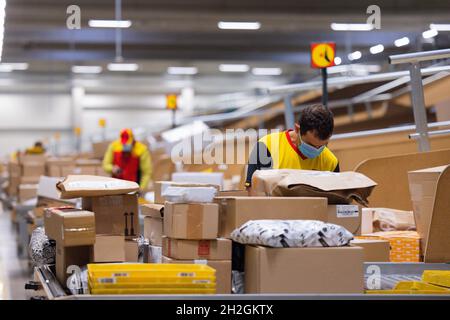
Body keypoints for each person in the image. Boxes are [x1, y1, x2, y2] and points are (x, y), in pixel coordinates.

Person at [245, 104, 339, 188]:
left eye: (322, 146)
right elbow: (254, 196)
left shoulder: (331, 162)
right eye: (310, 145)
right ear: (297, 129)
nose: (316, 150)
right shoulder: (266, 147)